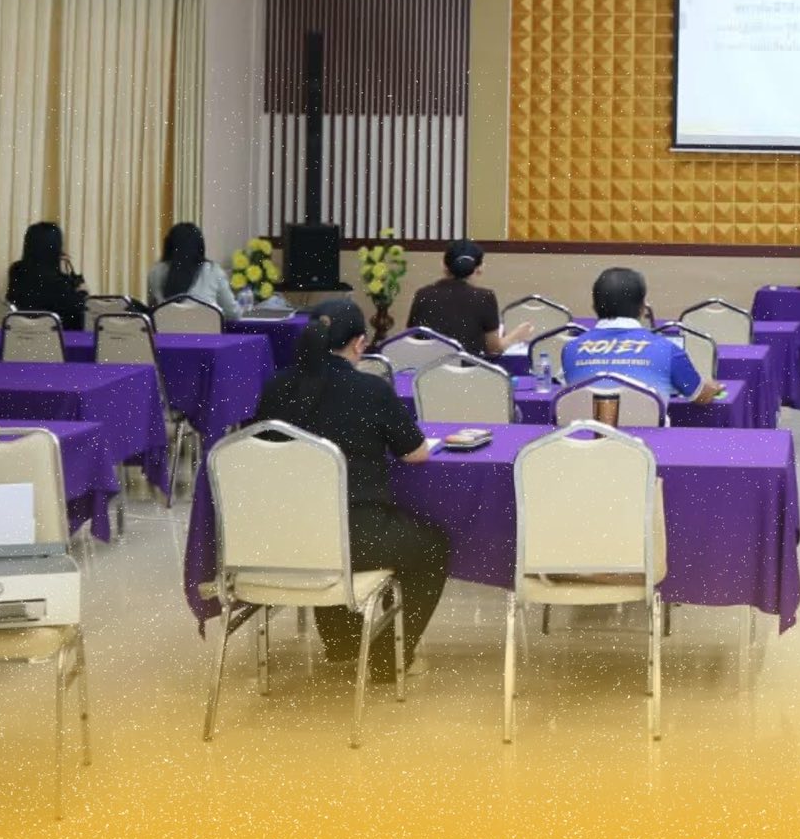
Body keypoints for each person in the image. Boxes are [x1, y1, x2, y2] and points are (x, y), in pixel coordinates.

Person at [250, 297, 450, 677]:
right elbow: (416, 453)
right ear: (359, 343)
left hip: (284, 535)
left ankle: (343, 642)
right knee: (432, 547)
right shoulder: (370, 389)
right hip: (355, 535)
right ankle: (388, 660)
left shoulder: (276, 387)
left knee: (322, 527)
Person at [562, 267, 721, 408]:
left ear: (594, 307)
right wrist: (712, 389)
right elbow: (700, 397)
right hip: (647, 433)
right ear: (642, 308)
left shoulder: (570, 350)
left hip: (586, 432)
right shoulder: (667, 350)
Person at [405, 240, 530, 356]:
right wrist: (516, 335)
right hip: (470, 370)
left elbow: (411, 339)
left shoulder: (423, 294)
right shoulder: (485, 297)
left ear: (444, 266)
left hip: (428, 370)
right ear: (480, 268)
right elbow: (493, 349)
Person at [146, 221, 239, 320]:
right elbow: (232, 313)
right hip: (205, 329)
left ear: (168, 246)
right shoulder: (214, 272)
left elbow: (152, 309)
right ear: (200, 247)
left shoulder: (155, 273)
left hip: (165, 329)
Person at [6, 221, 88, 330]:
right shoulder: (59, 282)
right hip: (58, 337)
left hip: (20, 334)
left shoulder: (16, 271)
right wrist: (82, 292)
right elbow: (79, 311)